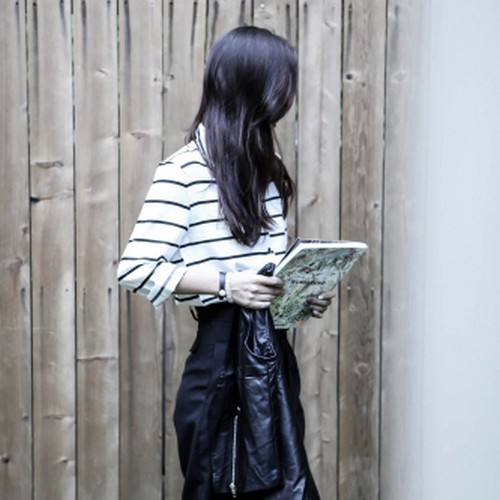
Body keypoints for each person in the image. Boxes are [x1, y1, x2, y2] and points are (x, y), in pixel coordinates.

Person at [117, 26, 334, 499]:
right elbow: (135, 268)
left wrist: (300, 296)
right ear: (253, 86)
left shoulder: (265, 166)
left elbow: (264, 272)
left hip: (271, 356)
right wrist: (227, 285)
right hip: (220, 365)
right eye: (282, 83)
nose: (288, 96)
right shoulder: (184, 171)